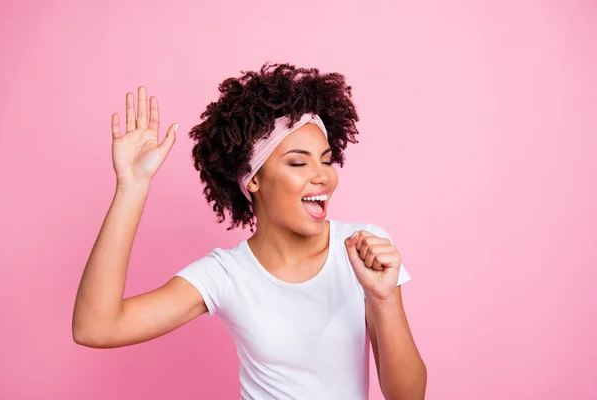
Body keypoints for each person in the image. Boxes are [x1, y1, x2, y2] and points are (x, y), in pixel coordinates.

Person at [72, 62, 427, 399]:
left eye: (326, 159)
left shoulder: (363, 249)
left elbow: (408, 396)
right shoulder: (227, 275)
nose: (323, 175)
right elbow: (96, 327)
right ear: (253, 179)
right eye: (298, 162)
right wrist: (131, 187)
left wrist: (384, 298)